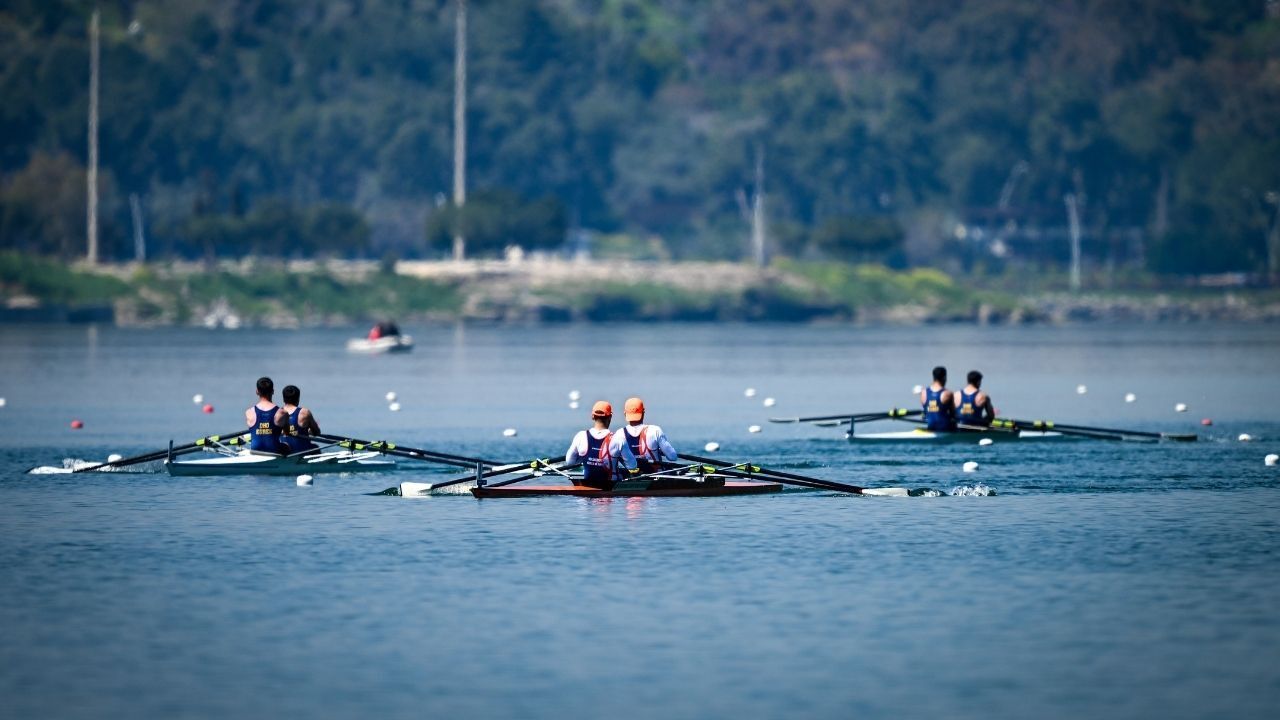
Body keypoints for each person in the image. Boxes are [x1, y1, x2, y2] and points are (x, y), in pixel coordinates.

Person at [565, 400, 638, 490]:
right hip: (610, 487)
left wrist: (585, 458)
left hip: (587, 486)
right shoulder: (618, 439)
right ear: (610, 417)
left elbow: (569, 462)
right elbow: (632, 465)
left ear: (592, 416)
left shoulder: (580, 436)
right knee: (627, 472)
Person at [612, 397, 677, 474]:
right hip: (656, 477)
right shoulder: (655, 430)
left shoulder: (618, 434)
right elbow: (673, 457)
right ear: (643, 412)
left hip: (632, 477)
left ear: (625, 414)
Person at [277, 384, 321, 455]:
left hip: (284, 452)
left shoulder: (276, 413)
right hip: (302, 452)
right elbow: (316, 433)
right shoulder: (304, 413)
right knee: (315, 447)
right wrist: (309, 431)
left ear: (283, 399)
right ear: (298, 399)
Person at [244, 376, 284, 453]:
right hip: (274, 450)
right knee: (287, 444)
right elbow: (287, 433)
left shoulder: (249, 412)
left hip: (255, 450)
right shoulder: (281, 412)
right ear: (273, 391)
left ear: (257, 392)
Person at [920, 366, 956, 432]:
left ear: (933, 377)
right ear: (944, 377)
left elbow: (925, 412)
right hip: (945, 428)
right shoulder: (948, 393)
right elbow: (953, 414)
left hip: (930, 426)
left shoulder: (923, 392)